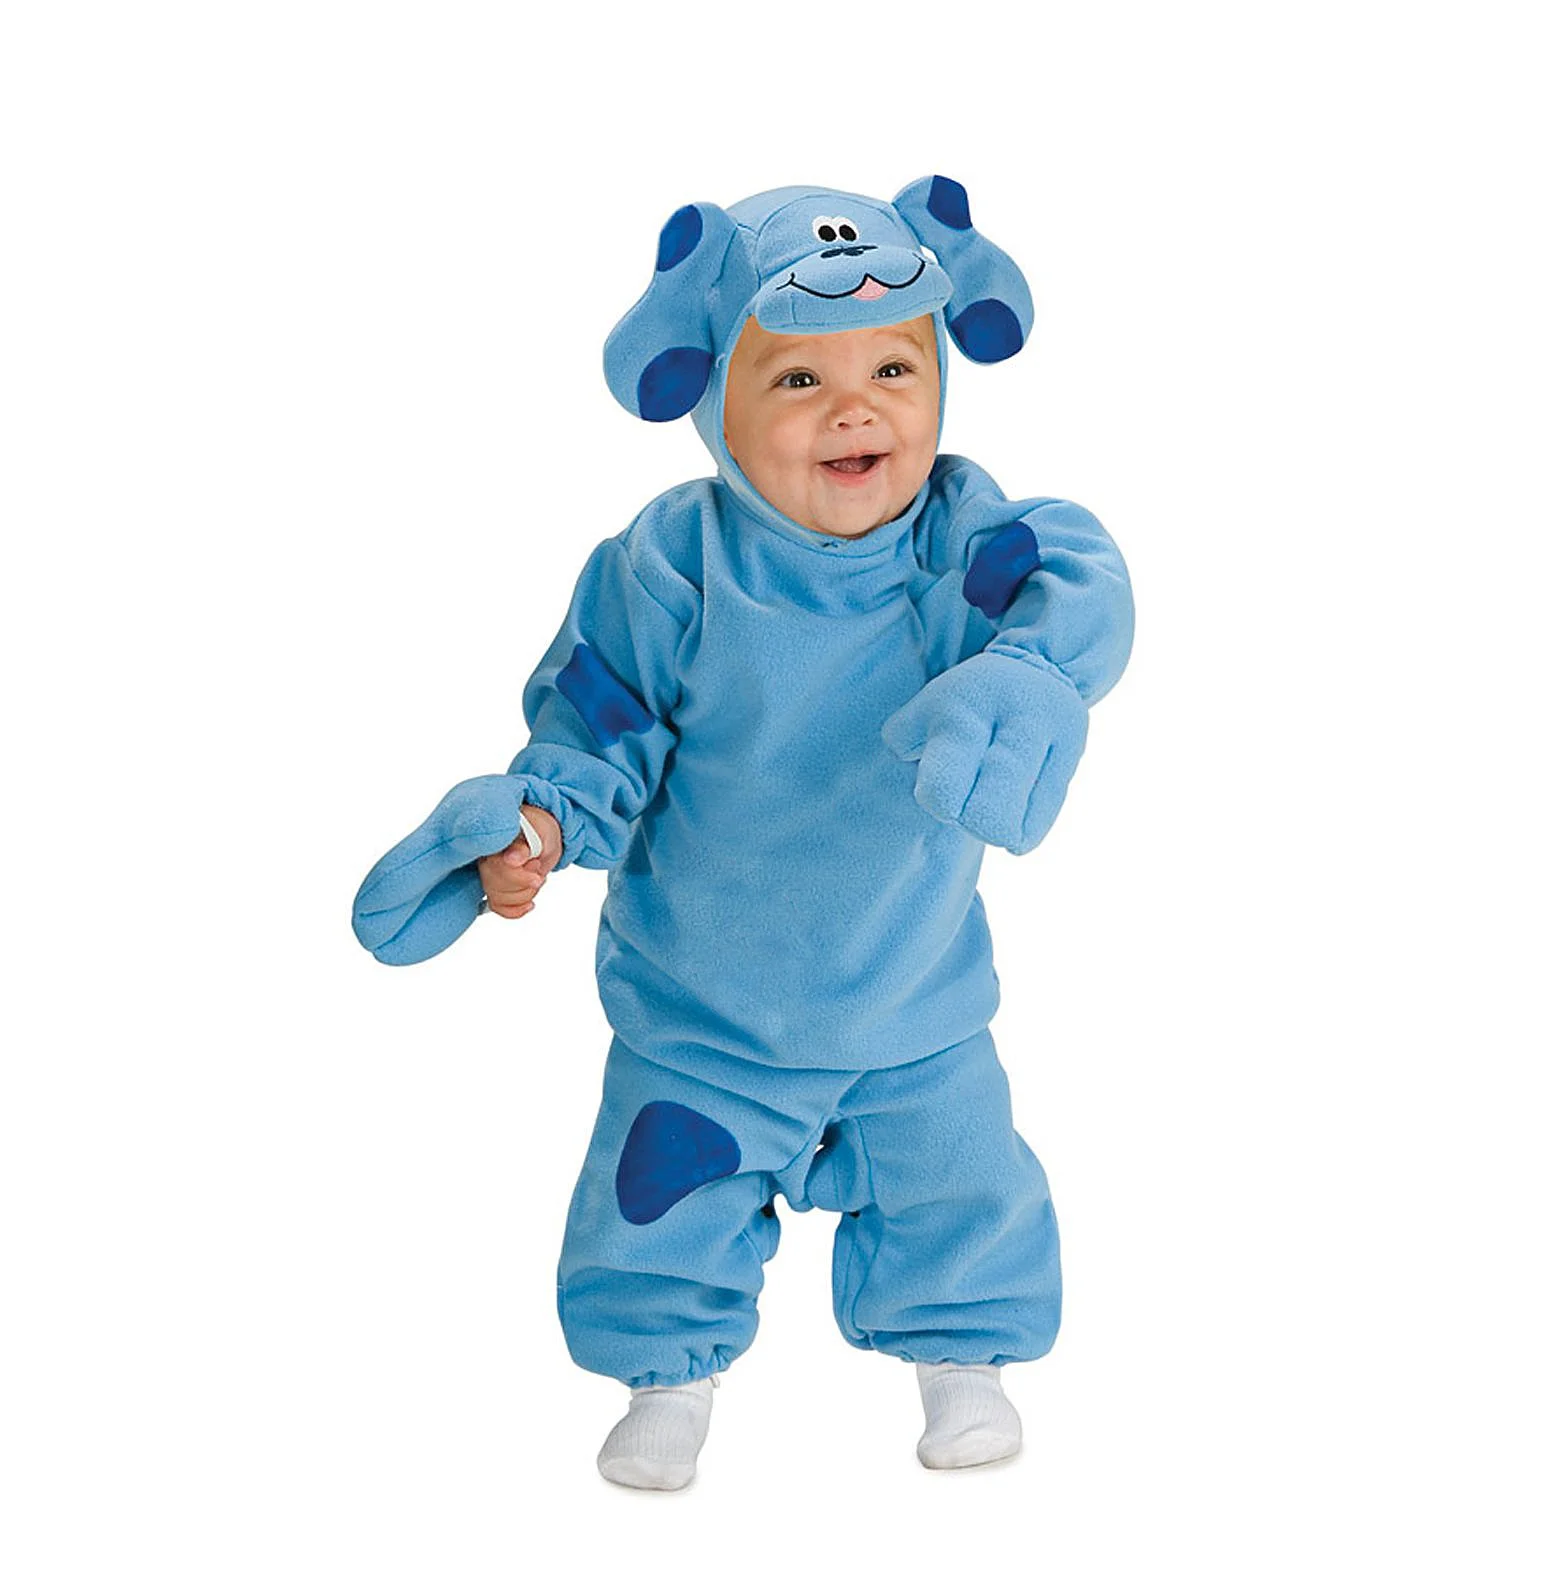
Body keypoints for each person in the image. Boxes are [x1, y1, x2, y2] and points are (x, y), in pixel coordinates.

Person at [352, 177, 1135, 1491]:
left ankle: (964, 1360)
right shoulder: (672, 565)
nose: (856, 409)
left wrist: (1032, 672)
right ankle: (667, 1379)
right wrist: (540, 825)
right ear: (715, 398)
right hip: (704, 1012)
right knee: (655, 1213)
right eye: (799, 380)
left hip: (912, 1001)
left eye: (895, 368)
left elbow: (1078, 573)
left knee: (961, 1181)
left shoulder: (960, 539)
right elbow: (599, 722)